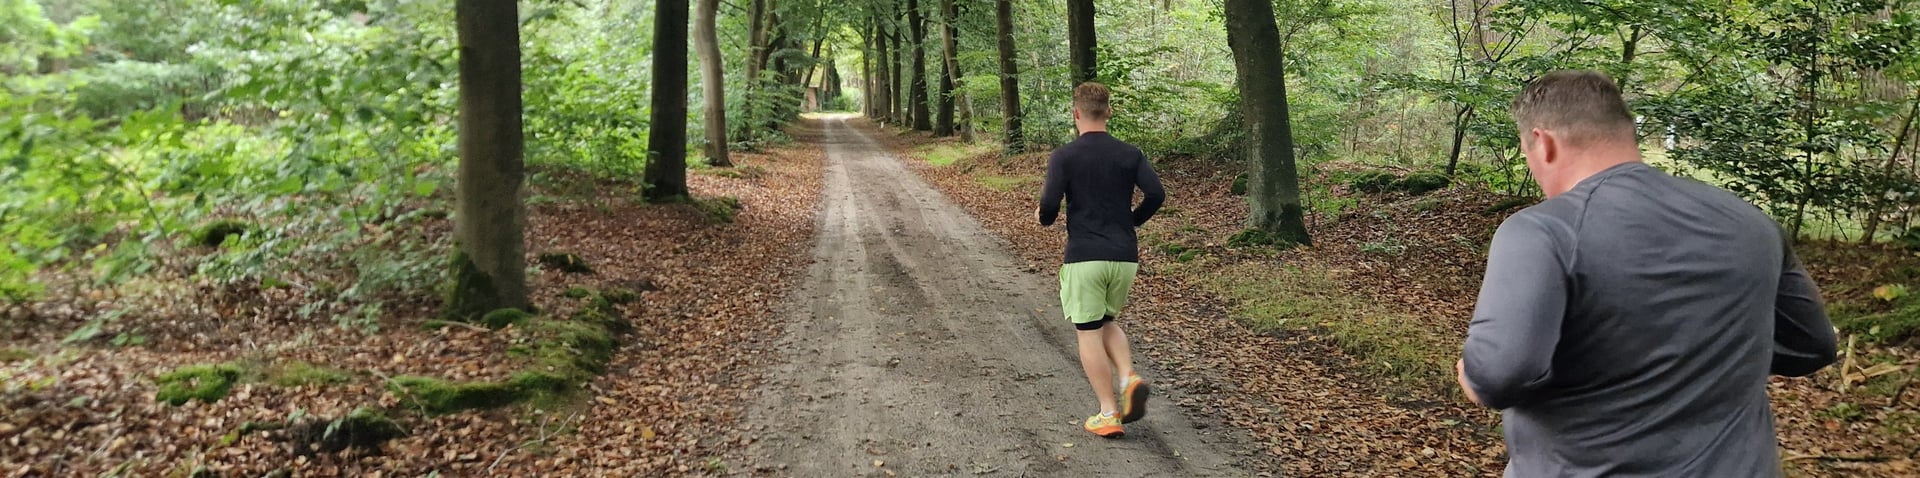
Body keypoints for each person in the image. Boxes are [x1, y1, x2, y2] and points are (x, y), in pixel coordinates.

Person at [1457, 70, 1838, 477]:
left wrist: (1471, 372)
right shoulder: (1751, 222)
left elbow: (1498, 377)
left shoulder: (1544, 230)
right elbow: (1813, 346)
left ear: (1544, 143)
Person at [1037, 81, 1165, 438]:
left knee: (1087, 330)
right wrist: (1131, 221)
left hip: (1085, 257)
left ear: (1076, 113)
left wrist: (1043, 218)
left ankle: (1108, 412)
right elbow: (1156, 193)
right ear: (1108, 111)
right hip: (1124, 257)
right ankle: (1128, 377)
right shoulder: (1130, 154)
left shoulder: (1064, 156)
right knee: (1106, 321)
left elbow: (1049, 205)